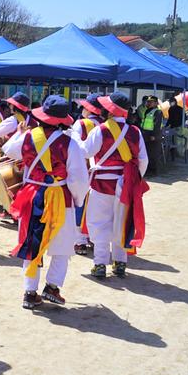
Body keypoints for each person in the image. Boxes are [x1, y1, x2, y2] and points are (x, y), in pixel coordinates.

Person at [2, 96, 89, 309]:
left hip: (31, 195)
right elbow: (78, 178)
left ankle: (29, 292)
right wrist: (77, 200)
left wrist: (20, 133)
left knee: (32, 243)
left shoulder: (28, 137)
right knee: (62, 245)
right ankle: (52, 287)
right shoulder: (71, 144)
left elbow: (7, 150)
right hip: (59, 196)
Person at [80, 92, 150, 279]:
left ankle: (100, 263)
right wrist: (133, 180)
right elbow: (143, 160)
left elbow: (86, 152)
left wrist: (75, 139)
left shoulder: (100, 130)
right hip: (126, 185)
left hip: (102, 183)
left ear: (109, 110)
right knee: (122, 221)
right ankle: (120, 263)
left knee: (99, 222)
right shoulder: (135, 132)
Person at [69, 93, 103, 256]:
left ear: (89, 109)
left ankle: (79, 240)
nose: (82, 109)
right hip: (100, 171)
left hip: (82, 169)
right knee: (96, 207)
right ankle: (93, 238)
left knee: (79, 204)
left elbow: (74, 147)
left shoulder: (81, 124)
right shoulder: (106, 125)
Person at [138, 95, 163, 176]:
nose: (148, 103)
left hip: (153, 135)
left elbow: (157, 125)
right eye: (148, 101)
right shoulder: (147, 110)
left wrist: (154, 135)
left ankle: (154, 171)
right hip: (146, 134)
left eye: (150, 102)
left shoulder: (158, 112)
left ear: (156, 103)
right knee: (147, 153)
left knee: (153, 154)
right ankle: (148, 170)